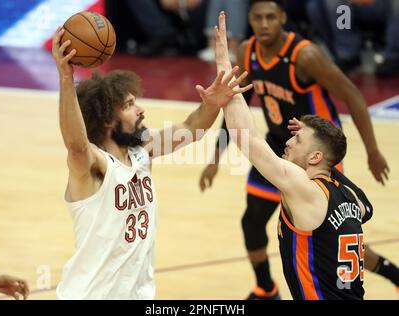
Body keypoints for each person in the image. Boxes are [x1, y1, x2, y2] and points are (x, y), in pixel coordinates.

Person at [199, 1, 395, 300]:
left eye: (271, 17)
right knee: (252, 222)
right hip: (283, 147)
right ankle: (266, 288)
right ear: (249, 20)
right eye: (257, 18)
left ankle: (389, 272)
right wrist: (215, 157)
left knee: (328, 232)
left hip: (316, 152)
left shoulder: (305, 55)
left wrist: (372, 151)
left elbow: (353, 94)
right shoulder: (249, 53)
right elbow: (240, 104)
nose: (264, 24)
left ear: (283, 19)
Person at [51, 27, 251, 299]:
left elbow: (192, 127)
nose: (141, 109)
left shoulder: (141, 150)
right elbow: (76, 144)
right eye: (130, 105)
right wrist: (66, 78)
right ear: (108, 120)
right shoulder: (94, 165)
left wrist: (213, 104)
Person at [306, 0, 399, 75]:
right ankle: (347, 55)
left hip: (385, 5)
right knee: (316, 6)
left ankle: (393, 56)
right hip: (351, 5)